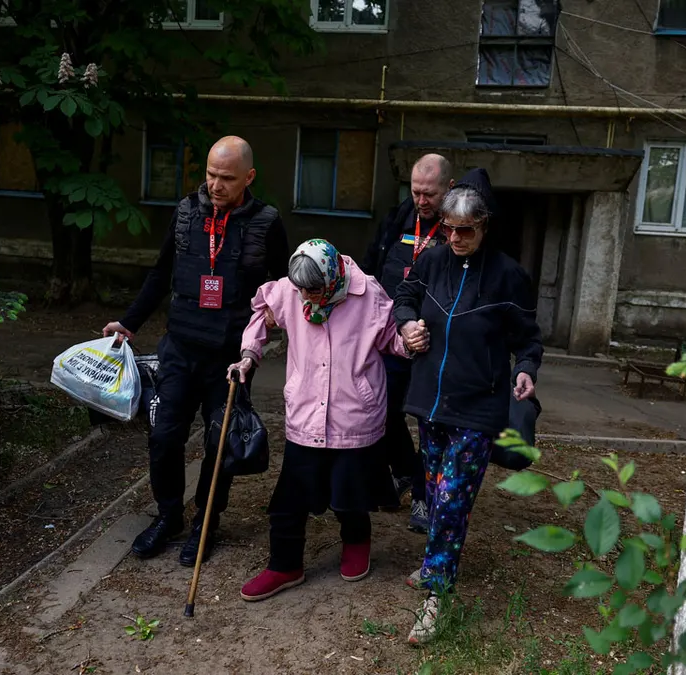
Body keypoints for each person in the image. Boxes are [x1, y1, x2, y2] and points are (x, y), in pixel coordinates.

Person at [101, 136, 289, 567]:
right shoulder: (186, 212)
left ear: (249, 177)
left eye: (226, 178)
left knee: (219, 444)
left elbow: (283, 283)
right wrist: (128, 323)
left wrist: (282, 317)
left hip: (229, 359)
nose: (216, 185)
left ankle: (206, 521)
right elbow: (160, 272)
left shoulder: (266, 222)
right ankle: (168, 515)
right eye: (210, 174)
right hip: (180, 348)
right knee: (164, 436)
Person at [392, 168, 544, 644]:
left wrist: (526, 369)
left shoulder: (509, 276)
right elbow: (405, 297)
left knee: (454, 500)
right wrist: (406, 324)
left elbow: (529, 339)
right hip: (431, 404)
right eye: (449, 228)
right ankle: (435, 562)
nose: (455, 238)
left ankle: (436, 596)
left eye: (466, 230)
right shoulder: (431, 261)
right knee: (436, 492)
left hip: (479, 409)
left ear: (484, 226)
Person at [228, 239, 407, 601]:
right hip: (306, 410)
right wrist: (248, 355)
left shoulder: (367, 292)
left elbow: (391, 338)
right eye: (301, 290)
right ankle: (284, 565)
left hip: (354, 412)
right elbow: (260, 318)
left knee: (349, 493)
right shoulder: (288, 291)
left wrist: (412, 340)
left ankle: (357, 541)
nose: (307, 297)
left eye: (314, 289)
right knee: (288, 500)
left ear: (333, 275)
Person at [360, 153, 455, 534]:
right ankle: (406, 473)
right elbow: (372, 266)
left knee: (429, 422)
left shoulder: (458, 227)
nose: (421, 200)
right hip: (391, 335)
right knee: (383, 411)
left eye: (429, 193)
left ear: (448, 188)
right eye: (416, 191)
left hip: (435, 343)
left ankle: (424, 494)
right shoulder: (399, 216)